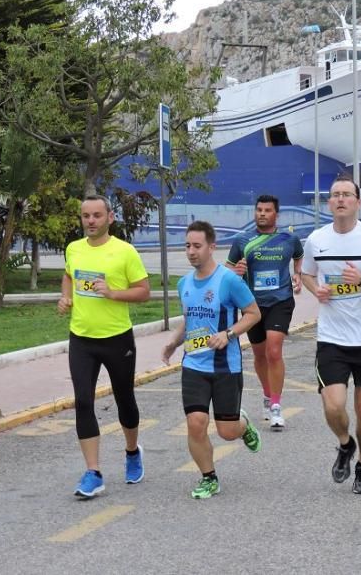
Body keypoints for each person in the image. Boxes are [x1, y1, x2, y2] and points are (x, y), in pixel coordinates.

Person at [301, 176, 361, 495]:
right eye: (335, 195)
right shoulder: (316, 239)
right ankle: (345, 444)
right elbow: (306, 273)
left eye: (346, 194)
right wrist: (318, 291)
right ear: (328, 203)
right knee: (333, 404)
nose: (340, 199)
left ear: (358, 202)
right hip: (332, 338)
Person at [57, 195, 151, 499]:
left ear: (110, 217)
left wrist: (112, 293)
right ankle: (93, 472)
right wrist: (65, 297)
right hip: (81, 338)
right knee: (83, 402)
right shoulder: (74, 248)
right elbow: (69, 275)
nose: (91, 221)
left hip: (117, 337)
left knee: (125, 400)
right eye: (86, 216)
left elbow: (143, 292)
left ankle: (132, 450)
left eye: (97, 215)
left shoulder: (124, 252)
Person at [161, 221, 263, 500]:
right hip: (193, 364)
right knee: (195, 422)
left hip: (225, 366)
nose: (191, 252)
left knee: (227, 432)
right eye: (187, 246)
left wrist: (228, 333)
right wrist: (173, 342)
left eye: (197, 246)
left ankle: (242, 425)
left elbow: (253, 314)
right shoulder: (183, 283)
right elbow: (190, 319)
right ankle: (209, 477)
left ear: (211, 247)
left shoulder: (229, 280)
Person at [226, 194, 303, 430]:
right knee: (260, 355)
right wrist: (236, 272)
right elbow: (228, 271)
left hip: (280, 301)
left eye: (267, 210)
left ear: (276, 214)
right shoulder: (242, 240)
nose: (262, 213)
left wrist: (298, 275)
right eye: (259, 209)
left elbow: (299, 258)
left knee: (273, 349)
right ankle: (268, 395)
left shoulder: (289, 238)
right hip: (252, 306)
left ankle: (277, 406)